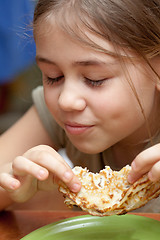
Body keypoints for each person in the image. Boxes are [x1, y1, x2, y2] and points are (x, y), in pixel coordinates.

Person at [0, 0, 160, 212]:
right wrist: (10, 188)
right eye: (53, 77)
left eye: (95, 79)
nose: (66, 100)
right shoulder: (56, 113)